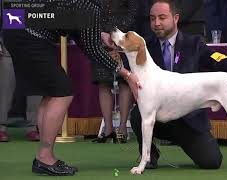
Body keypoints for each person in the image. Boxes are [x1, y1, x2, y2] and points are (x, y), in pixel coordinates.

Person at [3, 0, 140, 176]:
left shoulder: (83, 5)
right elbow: (93, 51)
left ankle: (43, 157)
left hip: (14, 23)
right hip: (27, 32)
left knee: (54, 91)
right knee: (63, 92)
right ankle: (44, 158)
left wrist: (98, 35)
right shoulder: (89, 7)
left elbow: (78, 34)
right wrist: (126, 74)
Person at [130, 0, 227, 169]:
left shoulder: (194, 43)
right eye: (152, 18)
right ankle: (149, 155)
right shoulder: (145, 46)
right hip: (158, 118)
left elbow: (218, 60)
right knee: (137, 113)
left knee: (211, 162)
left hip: (189, 121)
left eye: (162, 17)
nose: (157, 23)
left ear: (175, 18)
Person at [91, 0, 137, 144]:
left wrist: (115, 34)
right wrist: (100, 33)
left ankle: (122, 129)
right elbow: (89, 11)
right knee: (104, 83)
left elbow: (133, 11)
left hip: (124, 37)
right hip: (98, 38)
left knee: (125, 82)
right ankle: (108, 130)